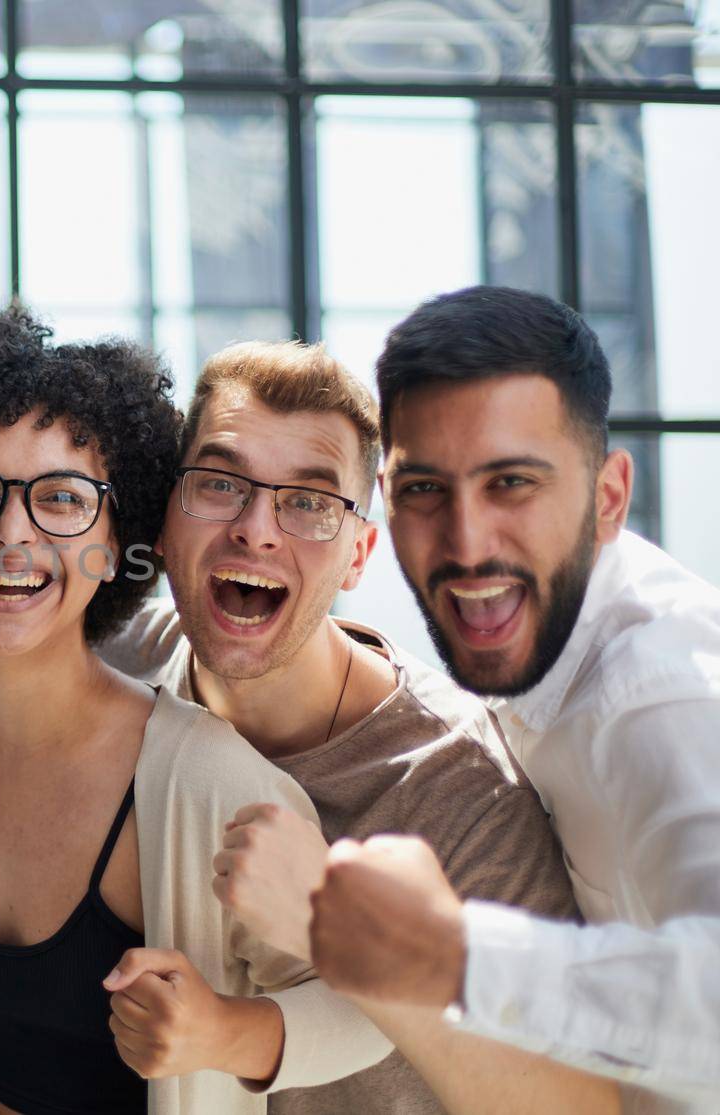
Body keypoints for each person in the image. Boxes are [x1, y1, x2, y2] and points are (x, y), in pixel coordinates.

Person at [0, 307, 391, 1114]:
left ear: (119, 537)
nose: (9, 535)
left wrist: (220, 1030)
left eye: (61, 499)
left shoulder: (207, 783)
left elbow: (372, 1008)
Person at [106, 339, 616, 1114]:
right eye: (218, 483)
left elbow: (581, 1105)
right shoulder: (119, 666)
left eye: (309, 502)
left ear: (358, 554)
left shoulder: (461, 786)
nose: (256, 528)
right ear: (168, 518)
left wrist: (340, 929)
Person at [302, 286, 720, 1115]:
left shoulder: (661, 695)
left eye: (512, 482)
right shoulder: (521, 640)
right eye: (425, 489)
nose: (466, 542)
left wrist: (452, 954)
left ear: (606, 499)